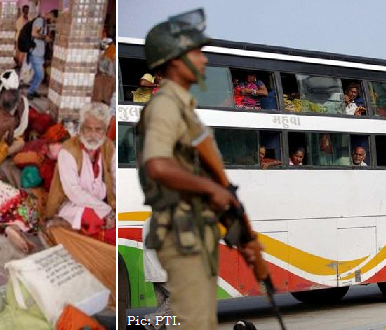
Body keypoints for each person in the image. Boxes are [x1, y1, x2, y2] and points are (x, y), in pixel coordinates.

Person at [136, 10, 259, 330]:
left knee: (175, 318)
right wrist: (211, 189)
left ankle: (144, 324)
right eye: (195, 53)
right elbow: (158, 165)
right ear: (175, 62)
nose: (204, 60)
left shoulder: (183, 109)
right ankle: (141, 324)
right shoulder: (166, 107)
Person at [45, 102, 116, 245]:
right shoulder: (68, 150)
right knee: (95, 221)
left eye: (98, 129)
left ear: (105, 130)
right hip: (73, 204)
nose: (92, 134)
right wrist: (105, 210)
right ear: (81, 127)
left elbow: (117, 179)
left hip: (102, 202)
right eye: (88, 128)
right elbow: (73, 192)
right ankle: (64, 222)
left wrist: (117, 207)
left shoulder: (108, 147)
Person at [26, 9, 59, 99]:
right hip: (35, 53)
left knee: (37, 74)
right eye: (54, 19)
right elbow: (34, 34)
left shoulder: (44, 23)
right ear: (51, 15)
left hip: (39, 53)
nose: (53, 22)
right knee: (40, 76)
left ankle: (33, 90)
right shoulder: (40, 20)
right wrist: (45, 38)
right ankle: (30, 92)